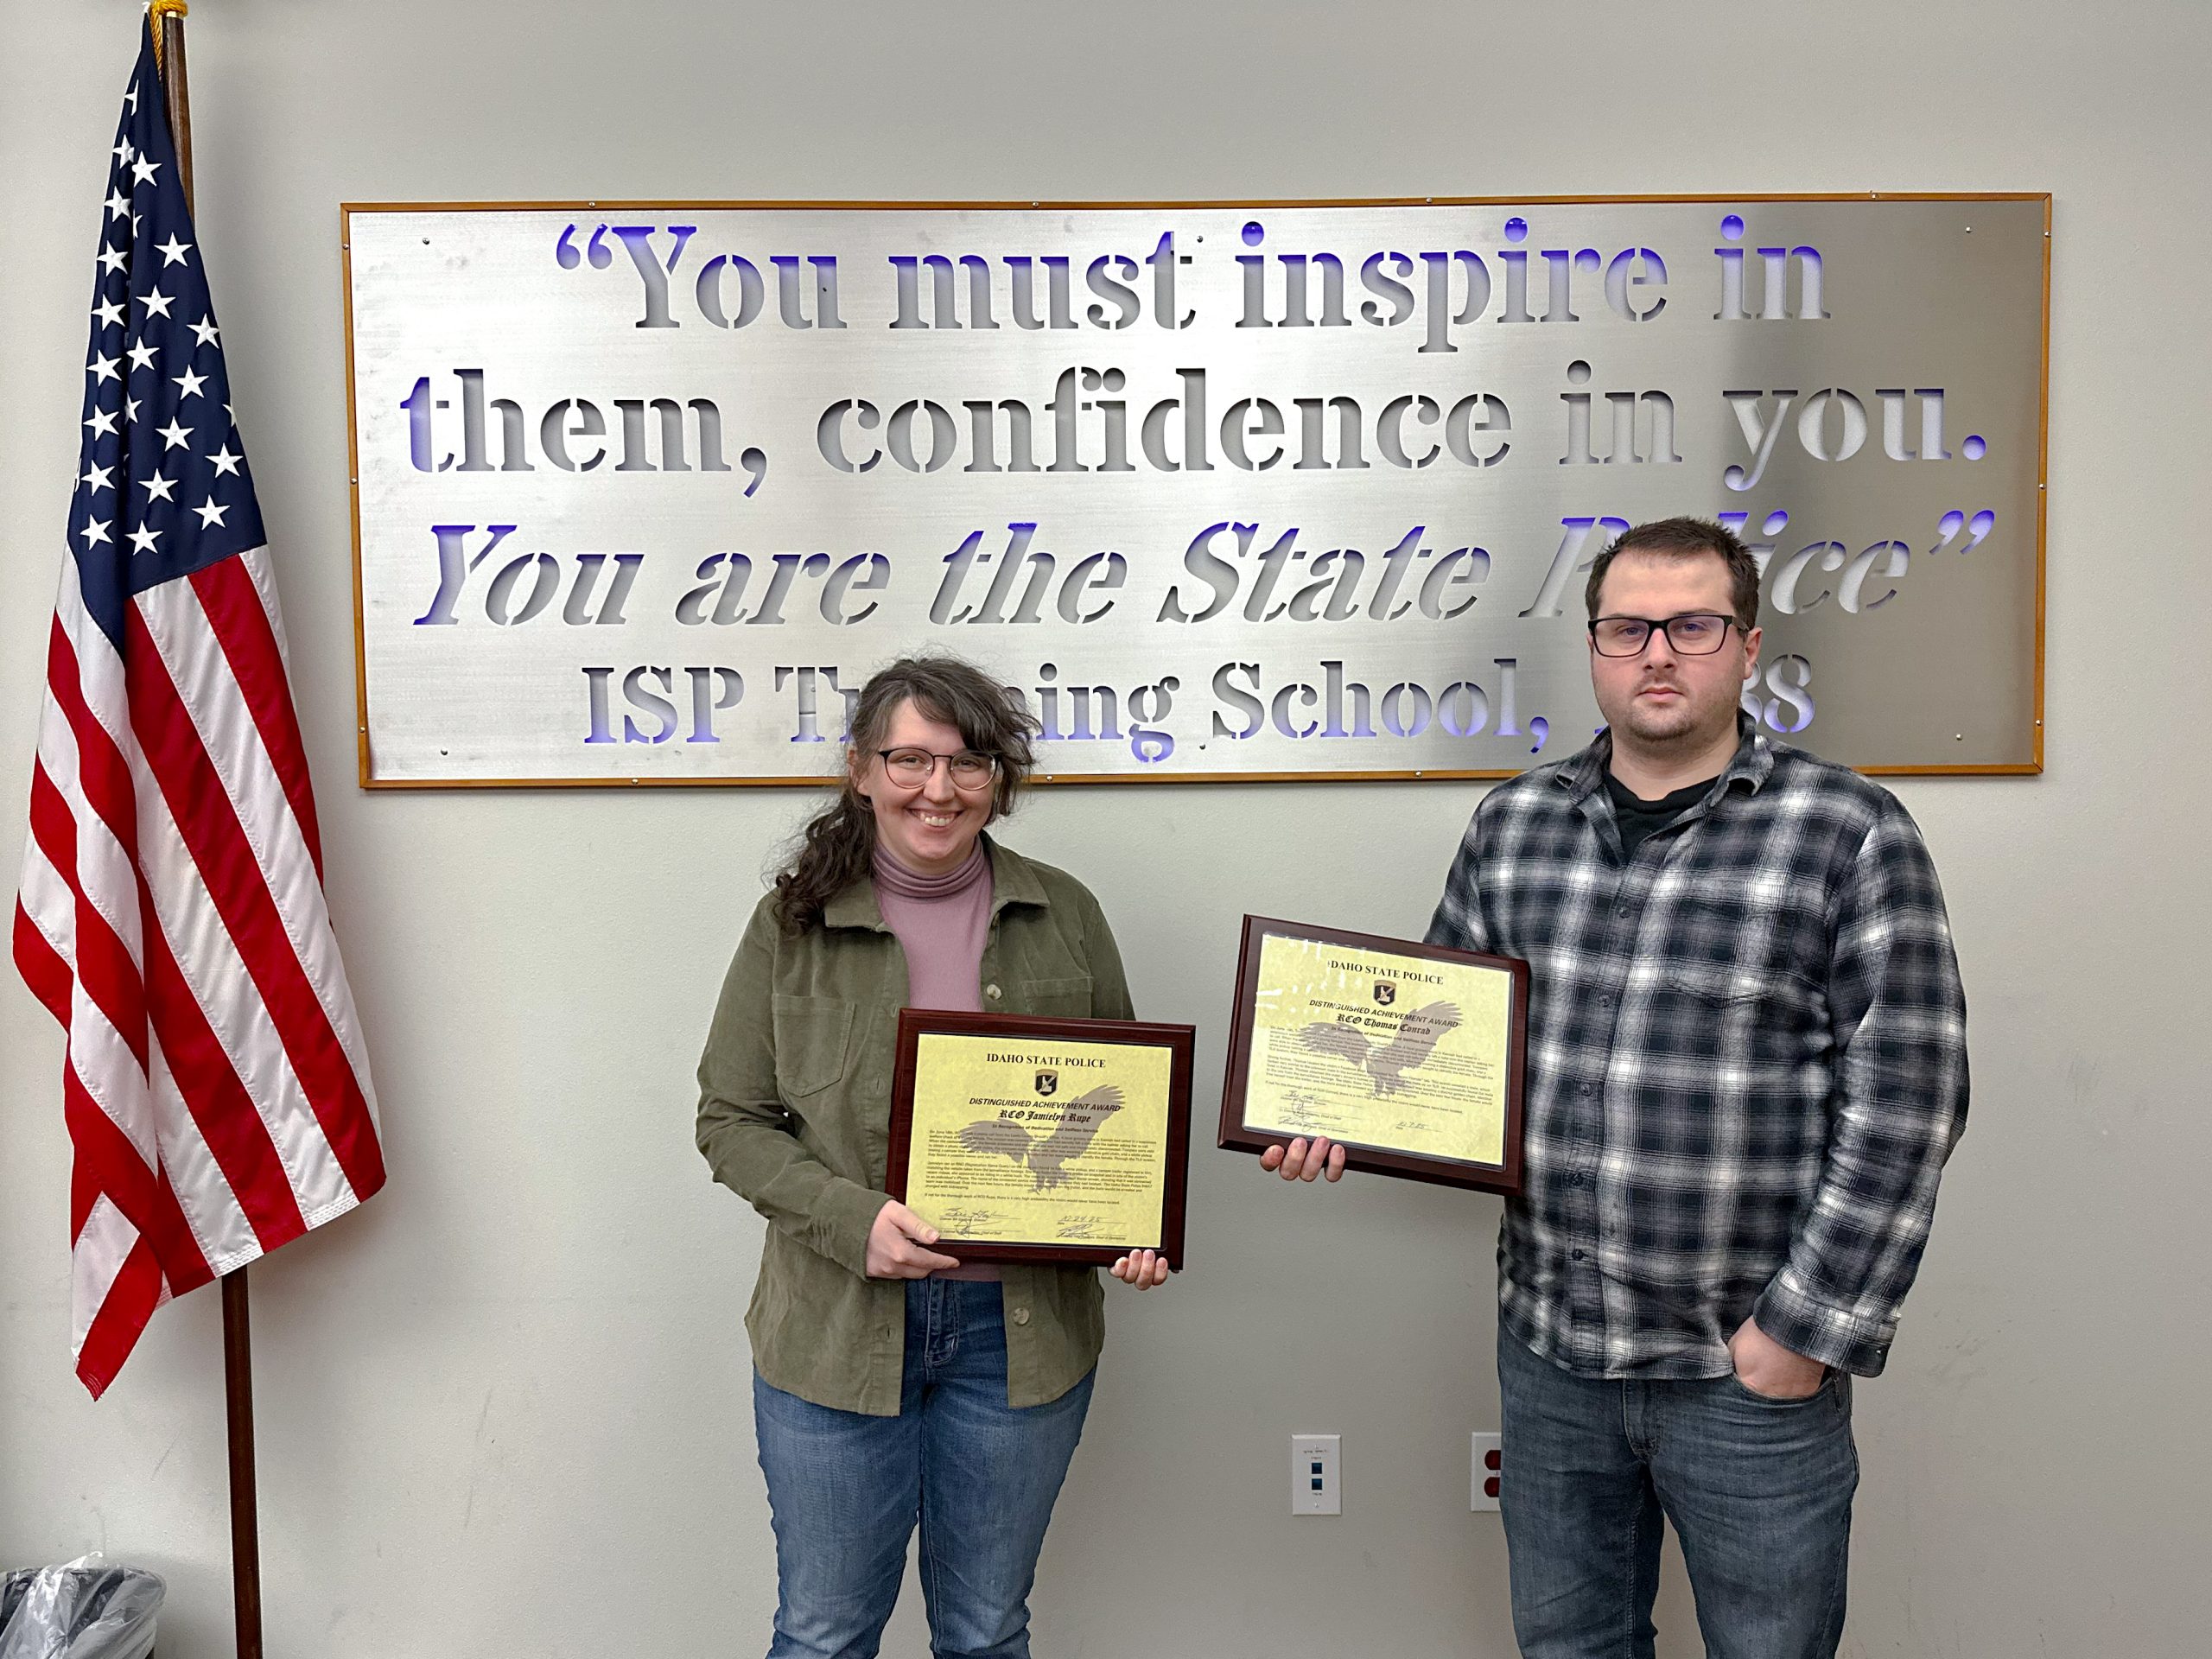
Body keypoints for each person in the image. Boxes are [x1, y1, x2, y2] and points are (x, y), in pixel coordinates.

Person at [1265, 518, 1968, 1658]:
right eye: (1627, 627)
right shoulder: (1515, 827)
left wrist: (1803, 1328)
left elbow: (1909, 1100)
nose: (1657, 653)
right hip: (1553, 1355)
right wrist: (1334, 1115)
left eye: (1691, 625)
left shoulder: (1848, 832)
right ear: (1593, 647)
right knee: (1570, 1648)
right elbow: (1444, 1043)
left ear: (1746, 648)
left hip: (1743, 1364)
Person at [696, 655, 1167, 1659]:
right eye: (909, 759)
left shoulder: (1067, 916)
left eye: (966, 763)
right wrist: (847, 1218)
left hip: (1019, 1336)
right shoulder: (793, 924)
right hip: (834, 1332)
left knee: (987, 1631)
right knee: (823, 1635)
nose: (937, 789)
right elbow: (730, 1120)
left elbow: (1125, 1116)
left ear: (1000, 779)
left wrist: (1133, 1227)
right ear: (862, 770)